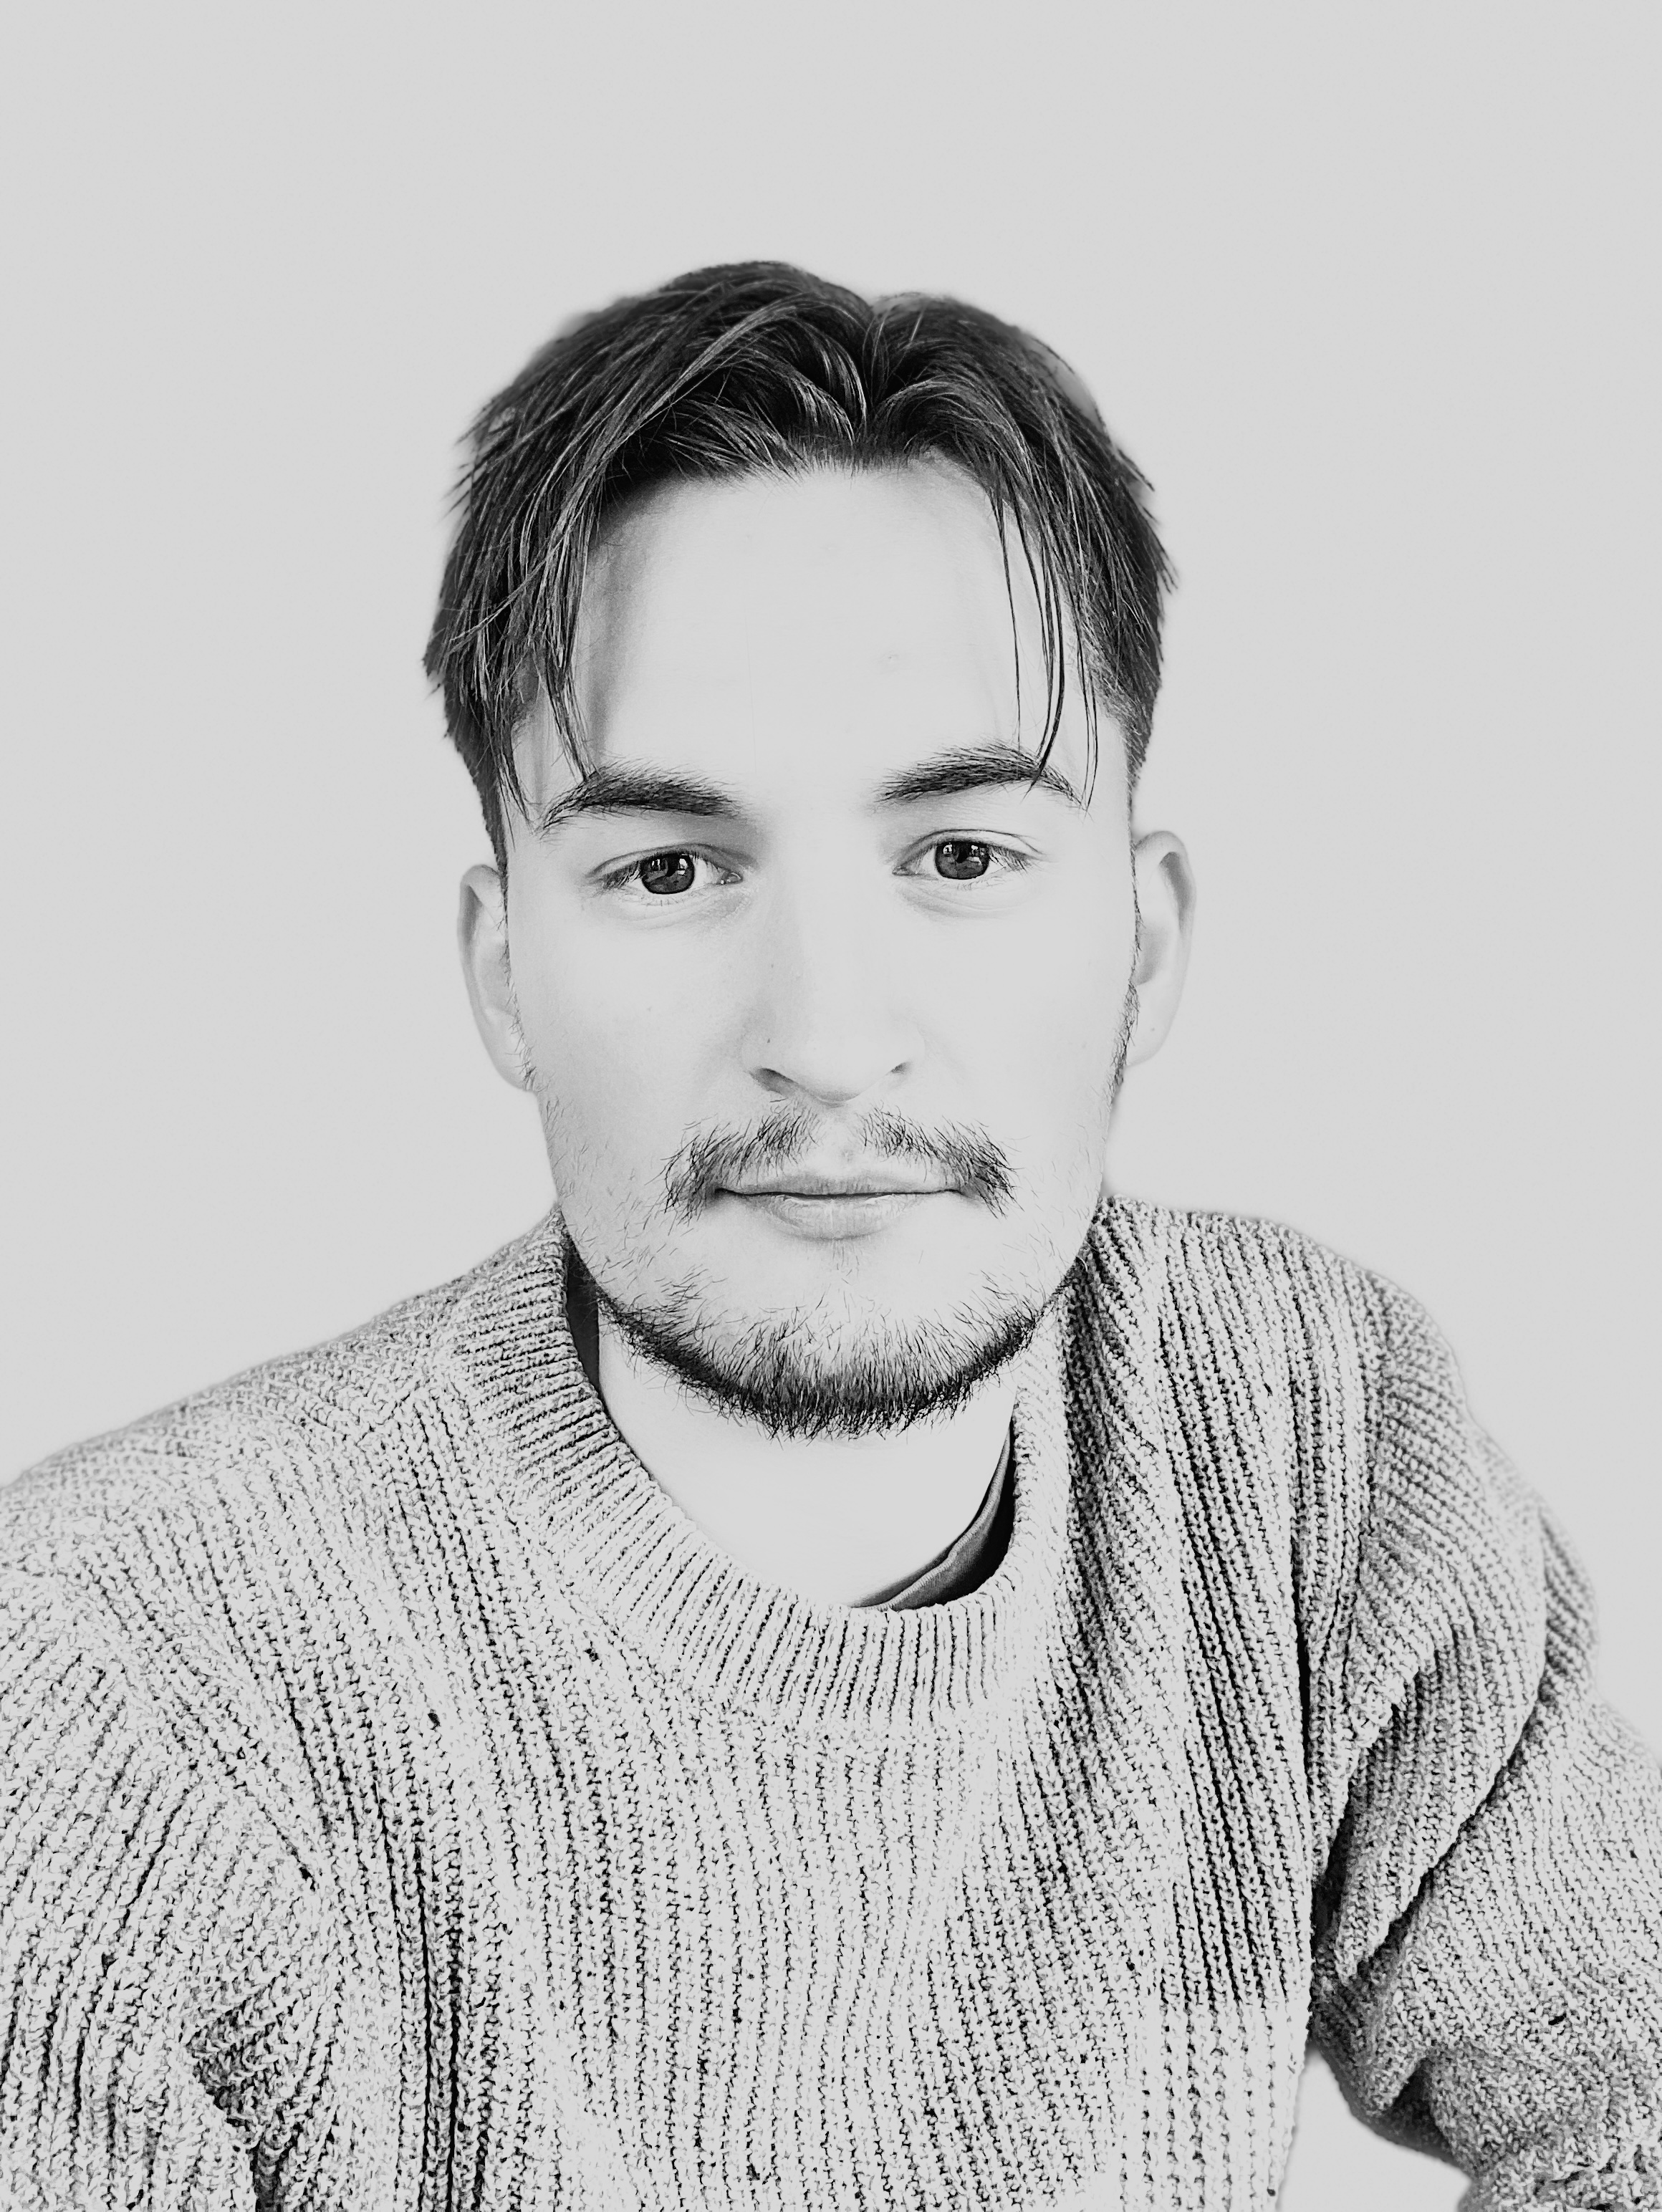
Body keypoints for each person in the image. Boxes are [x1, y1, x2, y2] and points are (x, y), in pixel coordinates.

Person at [3, 261, 1658, 2212]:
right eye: (669, 868)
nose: (826, 1034)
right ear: (505, 968)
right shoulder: (119, 1693)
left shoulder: (1308, 1441)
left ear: (1143, 943)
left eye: (962, 855)